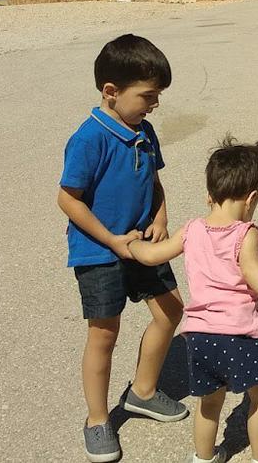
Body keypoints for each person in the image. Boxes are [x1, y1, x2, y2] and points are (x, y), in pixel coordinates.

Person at [129, 137, 258, 463]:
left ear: (209, 195)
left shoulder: (191, 229)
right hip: (240, 333)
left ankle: (203, 457)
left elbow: (154, 254)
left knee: (210, 402)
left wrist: (131, 246)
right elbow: (253, 271)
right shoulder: (245, 233)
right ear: (252, 198)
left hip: (199, 336)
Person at [57, 34, 189, 463]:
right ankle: (98, 419)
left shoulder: (144, 132)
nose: (155, 104)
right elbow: (68, 199)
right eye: (148, 96)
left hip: (143, 243)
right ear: (111, 91)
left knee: (171, 311)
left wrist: (160, 219)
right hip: (100, 251)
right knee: (104, 334)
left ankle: (143, 391)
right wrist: (113, 240)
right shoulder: (89, 139)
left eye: (158, 95)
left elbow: (154, 182)